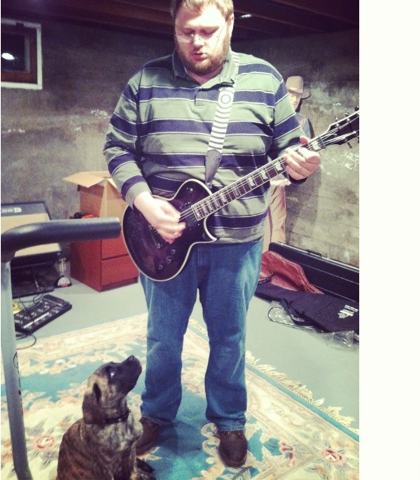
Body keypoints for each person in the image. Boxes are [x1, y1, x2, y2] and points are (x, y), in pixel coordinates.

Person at [104, 0, 321, 468]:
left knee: (229, 337)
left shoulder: (264, 81)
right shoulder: (145, 82)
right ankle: (157, 413)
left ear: (230, 23)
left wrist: (300, 166)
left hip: (237, 246)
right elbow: (117, 148)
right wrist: (143, 202)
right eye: (186, 32)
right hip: (162, 241)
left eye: (207, 31)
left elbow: (289, 151)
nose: (196, 43)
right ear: (173, 26)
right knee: (163, 338)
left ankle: (229, 419)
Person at [262, 75, 313, 252]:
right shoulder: (271, 114)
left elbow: (307, 147)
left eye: (298, 96)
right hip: (258, 178)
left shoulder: (302, 120)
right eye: (290, 94)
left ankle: (274, 260)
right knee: (260, 224)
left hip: (278, 179)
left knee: (277, 222)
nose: (294, 99)